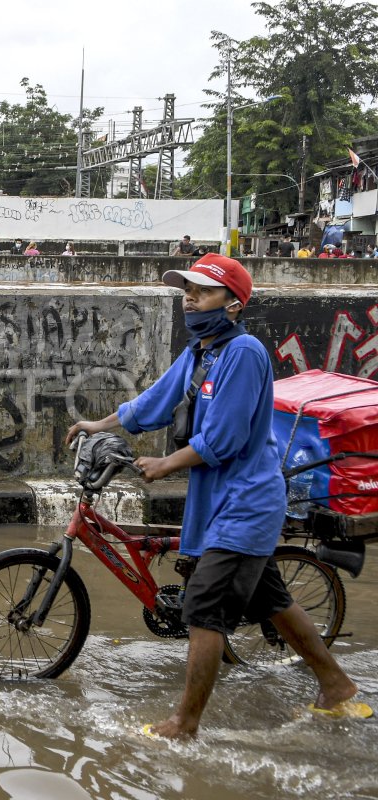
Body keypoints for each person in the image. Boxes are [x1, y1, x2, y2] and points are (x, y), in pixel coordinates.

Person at [64, 253, 365, 739]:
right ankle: (337, 685)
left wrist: (164, 465)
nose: (190, 298)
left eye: (202, 291)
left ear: (232, 304)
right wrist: (96, 424)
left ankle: (184, 724)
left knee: (202, 608)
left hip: (246, 502)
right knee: (271, 600)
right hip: (219, 501)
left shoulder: (244, 353)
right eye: (187, 290)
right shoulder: (201, 351)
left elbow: (223, 439)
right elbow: (154, 402)